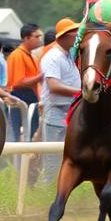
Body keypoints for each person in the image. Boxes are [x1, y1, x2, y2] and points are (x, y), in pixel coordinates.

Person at [39, 18, 82, 147]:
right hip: (55, 114)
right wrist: (82, 92)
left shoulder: (67, 55)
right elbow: (54, 86)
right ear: (66, 36)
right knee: (53, 156)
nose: (77, 38)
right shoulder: (53, 57)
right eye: (76, 35)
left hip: (68, 111)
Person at [5, 23, 43, 141]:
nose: (39, 39)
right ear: (26, 38)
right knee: (16, 134)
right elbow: (18, 82)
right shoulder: (17, 55)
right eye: (36, 36)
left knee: (30, 133)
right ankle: (15, 158)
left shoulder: (31, 56)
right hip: (19, 96)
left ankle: (24, 157)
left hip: (29, 96)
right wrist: (40, 77)